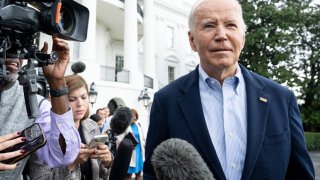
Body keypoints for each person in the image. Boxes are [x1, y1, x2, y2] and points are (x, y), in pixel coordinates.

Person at [143, 0, 315, 179]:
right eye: (209, 26)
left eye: (231, 25)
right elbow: (152, 174)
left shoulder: (281, 99)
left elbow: (300, 174)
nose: (221, 35)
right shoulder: (166, 101)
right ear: (192, 40)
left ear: (243, 37)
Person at [0, 37, 81, 179]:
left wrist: (57, 82)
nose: (14, 52)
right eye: (4, 42)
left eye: (18, 45)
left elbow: (62, 156)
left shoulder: (35, 103)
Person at [28, 71, 113, 179]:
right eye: (72, 99)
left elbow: (101, 175)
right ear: (59, 101)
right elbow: (39, 178)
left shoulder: (92, 126)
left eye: (84, 97)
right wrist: (71, 164)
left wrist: (107, 162)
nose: (80, 104)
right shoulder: (44, 132)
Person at [125, 109, 145, 180]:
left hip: (139, 151)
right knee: (128, 175)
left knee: (139, 174)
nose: (134, 117)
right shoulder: (125, 126)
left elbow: (143, 138)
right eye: (132, 116)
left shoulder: (139, 125)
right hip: (130, 152)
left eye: (135, 115)